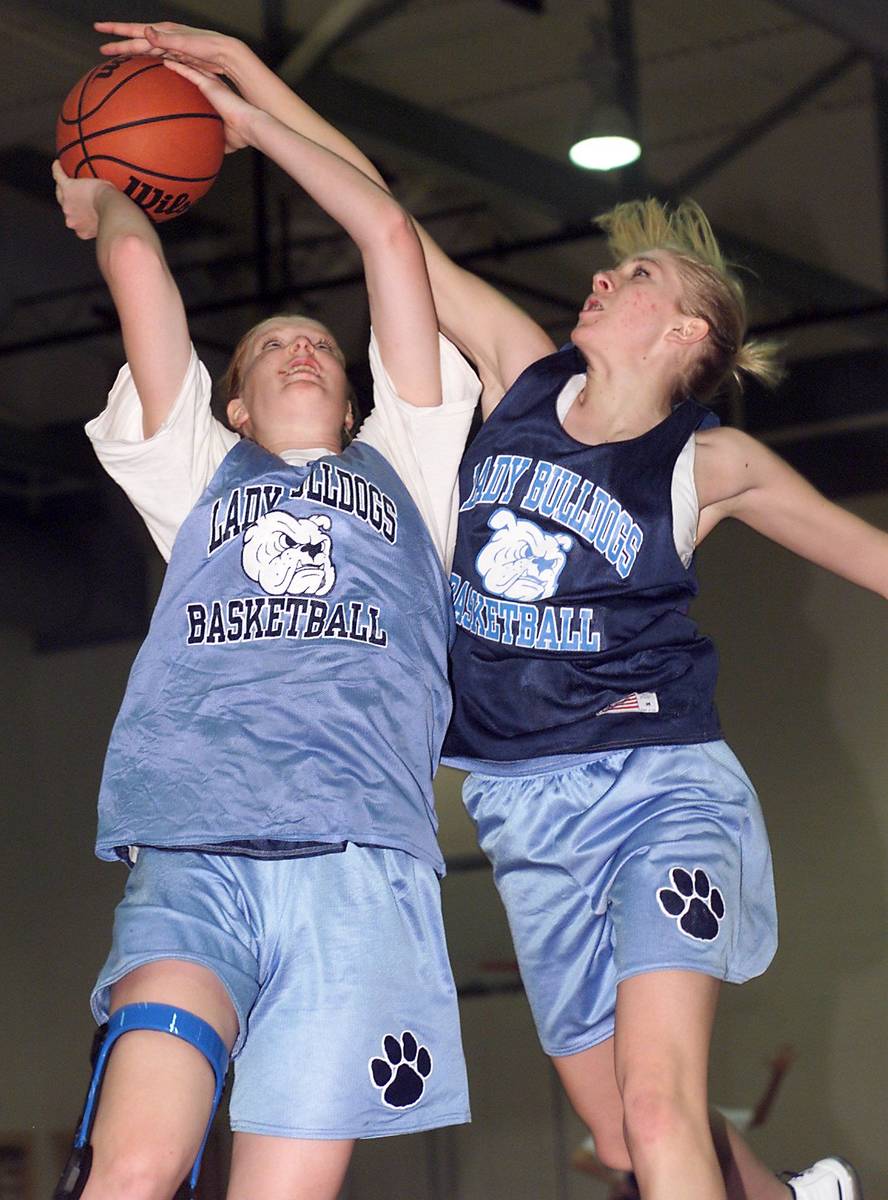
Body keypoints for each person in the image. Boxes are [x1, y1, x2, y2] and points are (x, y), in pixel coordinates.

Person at [92, 22, 882, 1200]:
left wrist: (250, 118)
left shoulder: (702, 467)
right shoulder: (520, 375)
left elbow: (872, 555)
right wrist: (249, 93)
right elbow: (387, 228)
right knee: (624, 1136)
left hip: (656, 774)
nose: (601, 275)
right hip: (521, 802)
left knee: (663, 1108)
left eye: (639, 278)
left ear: (689, 334)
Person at [51, 55, 479, 1200]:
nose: (302, 347)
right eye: (271, 348)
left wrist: (246, 118)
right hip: (197, 841)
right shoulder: (197, 468)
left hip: (359, 863)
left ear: (355, 399)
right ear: (233, 403)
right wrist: (102, 197)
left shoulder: (411, 467)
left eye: (324, 350)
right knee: (133, 1170)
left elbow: (388, 234)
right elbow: (140, 270)